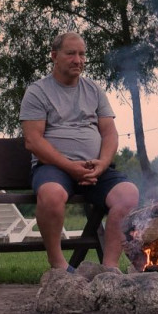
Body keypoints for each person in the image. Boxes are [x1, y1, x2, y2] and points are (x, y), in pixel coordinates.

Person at [20, 32, 139, 272]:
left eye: (82, 54)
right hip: (54, 168)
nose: (78, 60)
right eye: (71, 53)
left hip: (95, 168)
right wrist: (69, 167)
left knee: (128, 194)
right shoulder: (37, 92)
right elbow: (33, 141)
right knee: (51, 195)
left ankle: (110, 269)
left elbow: (109, 133)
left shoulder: (94, 90)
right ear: (54, 56)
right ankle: (59, 265)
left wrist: (103, 164)